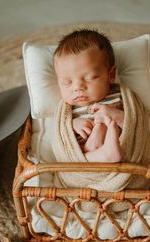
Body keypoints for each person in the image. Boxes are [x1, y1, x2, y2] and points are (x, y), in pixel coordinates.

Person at [53, 29, 124, 162]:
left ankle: (107, 150)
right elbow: (59, 134)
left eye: (90, 77)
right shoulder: (69, 110)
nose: (77, 87)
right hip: (83, 158)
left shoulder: (120, 97)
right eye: (66, 82)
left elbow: (136, 126)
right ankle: (103, 155)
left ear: (111, 75)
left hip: (121, 151)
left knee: (104, 124)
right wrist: (72, 125)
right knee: (73, 159)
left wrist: (114, 114)